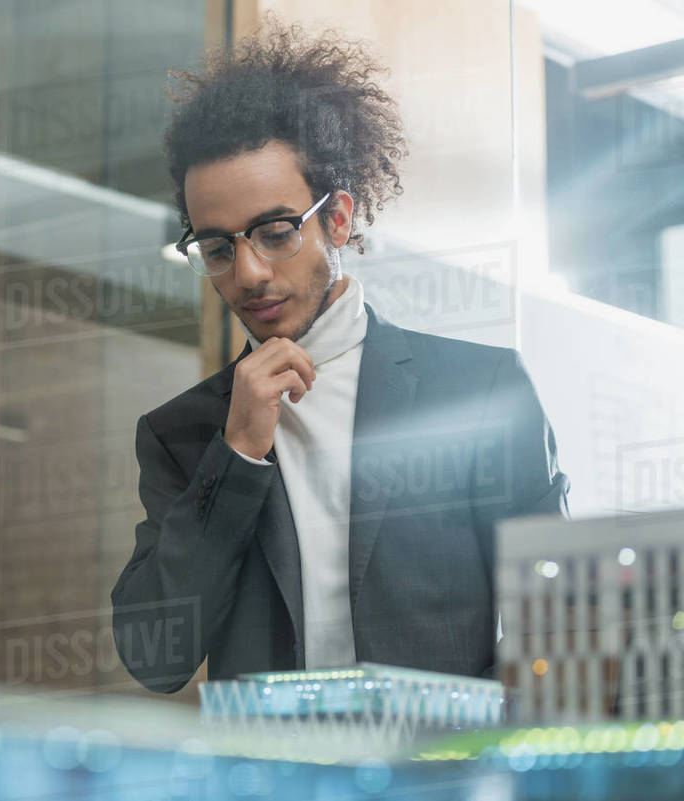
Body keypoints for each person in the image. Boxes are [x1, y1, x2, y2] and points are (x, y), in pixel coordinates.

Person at [110, 21, 569, 693]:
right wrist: (234, 452)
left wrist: (464, 753)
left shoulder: (479, 391)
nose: (249, 272)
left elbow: (558, 619)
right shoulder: (182, 435)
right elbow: (157, 657)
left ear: (339, 218)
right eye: (216, 248)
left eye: (274, 233)